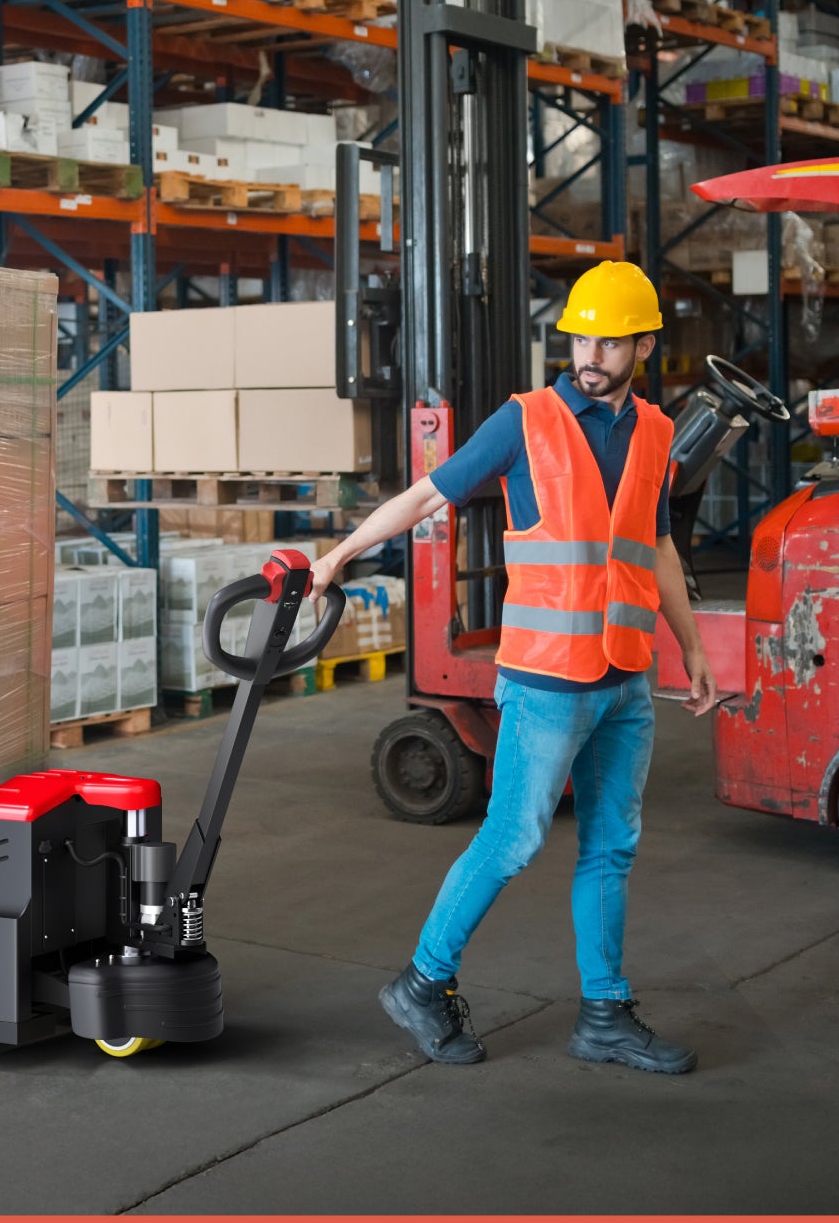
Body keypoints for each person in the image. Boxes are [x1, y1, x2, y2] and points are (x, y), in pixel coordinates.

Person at [307, 261, 722, 1074]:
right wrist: (340, 554)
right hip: (544, 679)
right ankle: (423, 981)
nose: (589, 351)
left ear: (642, 344)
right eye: (579, 335)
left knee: (611, 847)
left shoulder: (659, 434)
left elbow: (659, 545)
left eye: (608, 339)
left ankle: (604, 1013)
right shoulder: (523, 420)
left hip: (626, 677)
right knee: (513, 837)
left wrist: (694, 647)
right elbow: (429, 495)